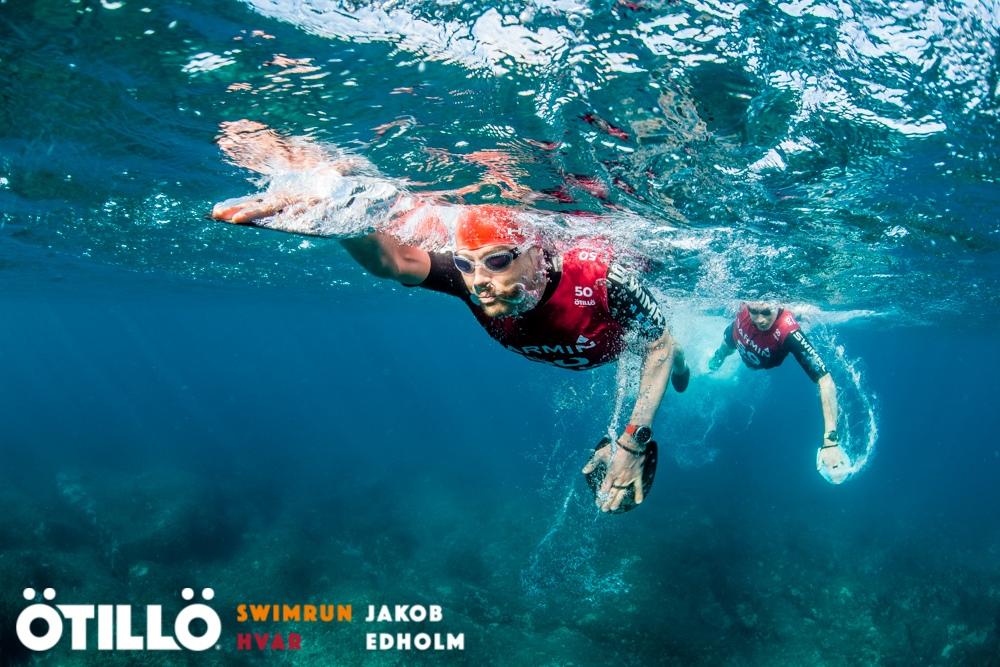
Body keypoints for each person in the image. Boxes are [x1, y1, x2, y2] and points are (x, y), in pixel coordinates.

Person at [211, 120, 690, 512]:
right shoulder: (471, 279)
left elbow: (657, 344)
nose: (478, 280)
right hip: (601, 346)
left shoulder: (600, 277)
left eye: (499, 260)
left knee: (668, 347)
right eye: (465, 264)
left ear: (540, 254)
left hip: (622, 323)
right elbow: (396, 262)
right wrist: (343, 220)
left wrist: (632, 442)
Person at [707, 302, 851, 483]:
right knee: (721, 352)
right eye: (754, 311)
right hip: (736, 336)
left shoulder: (787, 331)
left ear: (777, 306)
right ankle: (714, 362)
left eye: (767, 312)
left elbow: (825, 380)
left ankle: (799, 312)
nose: (760, 320)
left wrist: (831, 441)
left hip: (765, 354)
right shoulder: (742, 307)